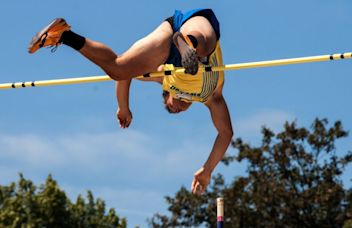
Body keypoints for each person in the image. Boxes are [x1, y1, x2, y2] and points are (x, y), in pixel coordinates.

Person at [28, 9, 233, 195]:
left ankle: (63, 35)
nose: (177, 108)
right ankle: (188, 46)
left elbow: (125, 76)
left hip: (182, 37)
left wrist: (123, 107)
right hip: (195, 36)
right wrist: (207, 171)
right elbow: (226, 133)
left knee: (118, 69)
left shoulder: (164, 77)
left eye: (172, 108)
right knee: (205, 47)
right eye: (175, 108)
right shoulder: (210, 96)